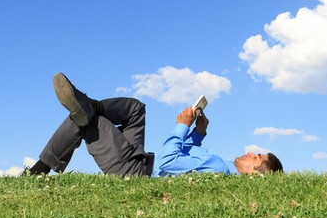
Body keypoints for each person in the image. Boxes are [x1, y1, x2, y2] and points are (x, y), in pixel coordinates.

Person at [27, 72, 283, 176]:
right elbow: (186, 160)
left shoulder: (218, 167)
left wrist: (181, 126)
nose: (250, 152)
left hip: (132, 170)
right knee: (136, 109)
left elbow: (171, 161)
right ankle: (89, 105)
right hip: (138, 159)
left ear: (254, 176)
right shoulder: (220, 165)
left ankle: (38, 170)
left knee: (87, 121)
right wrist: (198, 134)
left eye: (256, 157)